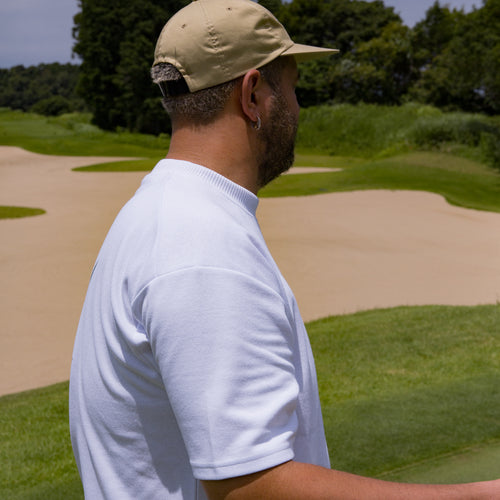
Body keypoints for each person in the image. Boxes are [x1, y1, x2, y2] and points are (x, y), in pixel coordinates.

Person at [69, 1, 500, 498]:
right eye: (292, 88)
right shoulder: (204, 248)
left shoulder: (158, 210)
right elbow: (253, 485)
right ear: (253, 95)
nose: (298, 108)